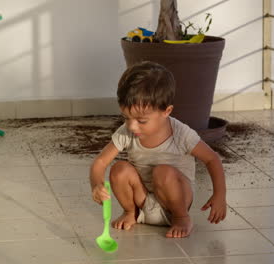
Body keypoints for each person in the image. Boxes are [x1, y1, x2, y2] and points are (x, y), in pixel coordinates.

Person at [90, 61, 226, 238]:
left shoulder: (181, 134)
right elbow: (100, 162)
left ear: (166, 111)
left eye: (141, 121)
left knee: (162, 172)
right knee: (119, 169)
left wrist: (219, 195)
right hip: (143, 201)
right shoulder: (127, 132)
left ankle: (182, 218)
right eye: (126, 117)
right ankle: (131, 213)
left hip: (175, 202)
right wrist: (96, 184)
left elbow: (211, 159)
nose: (132, 126)